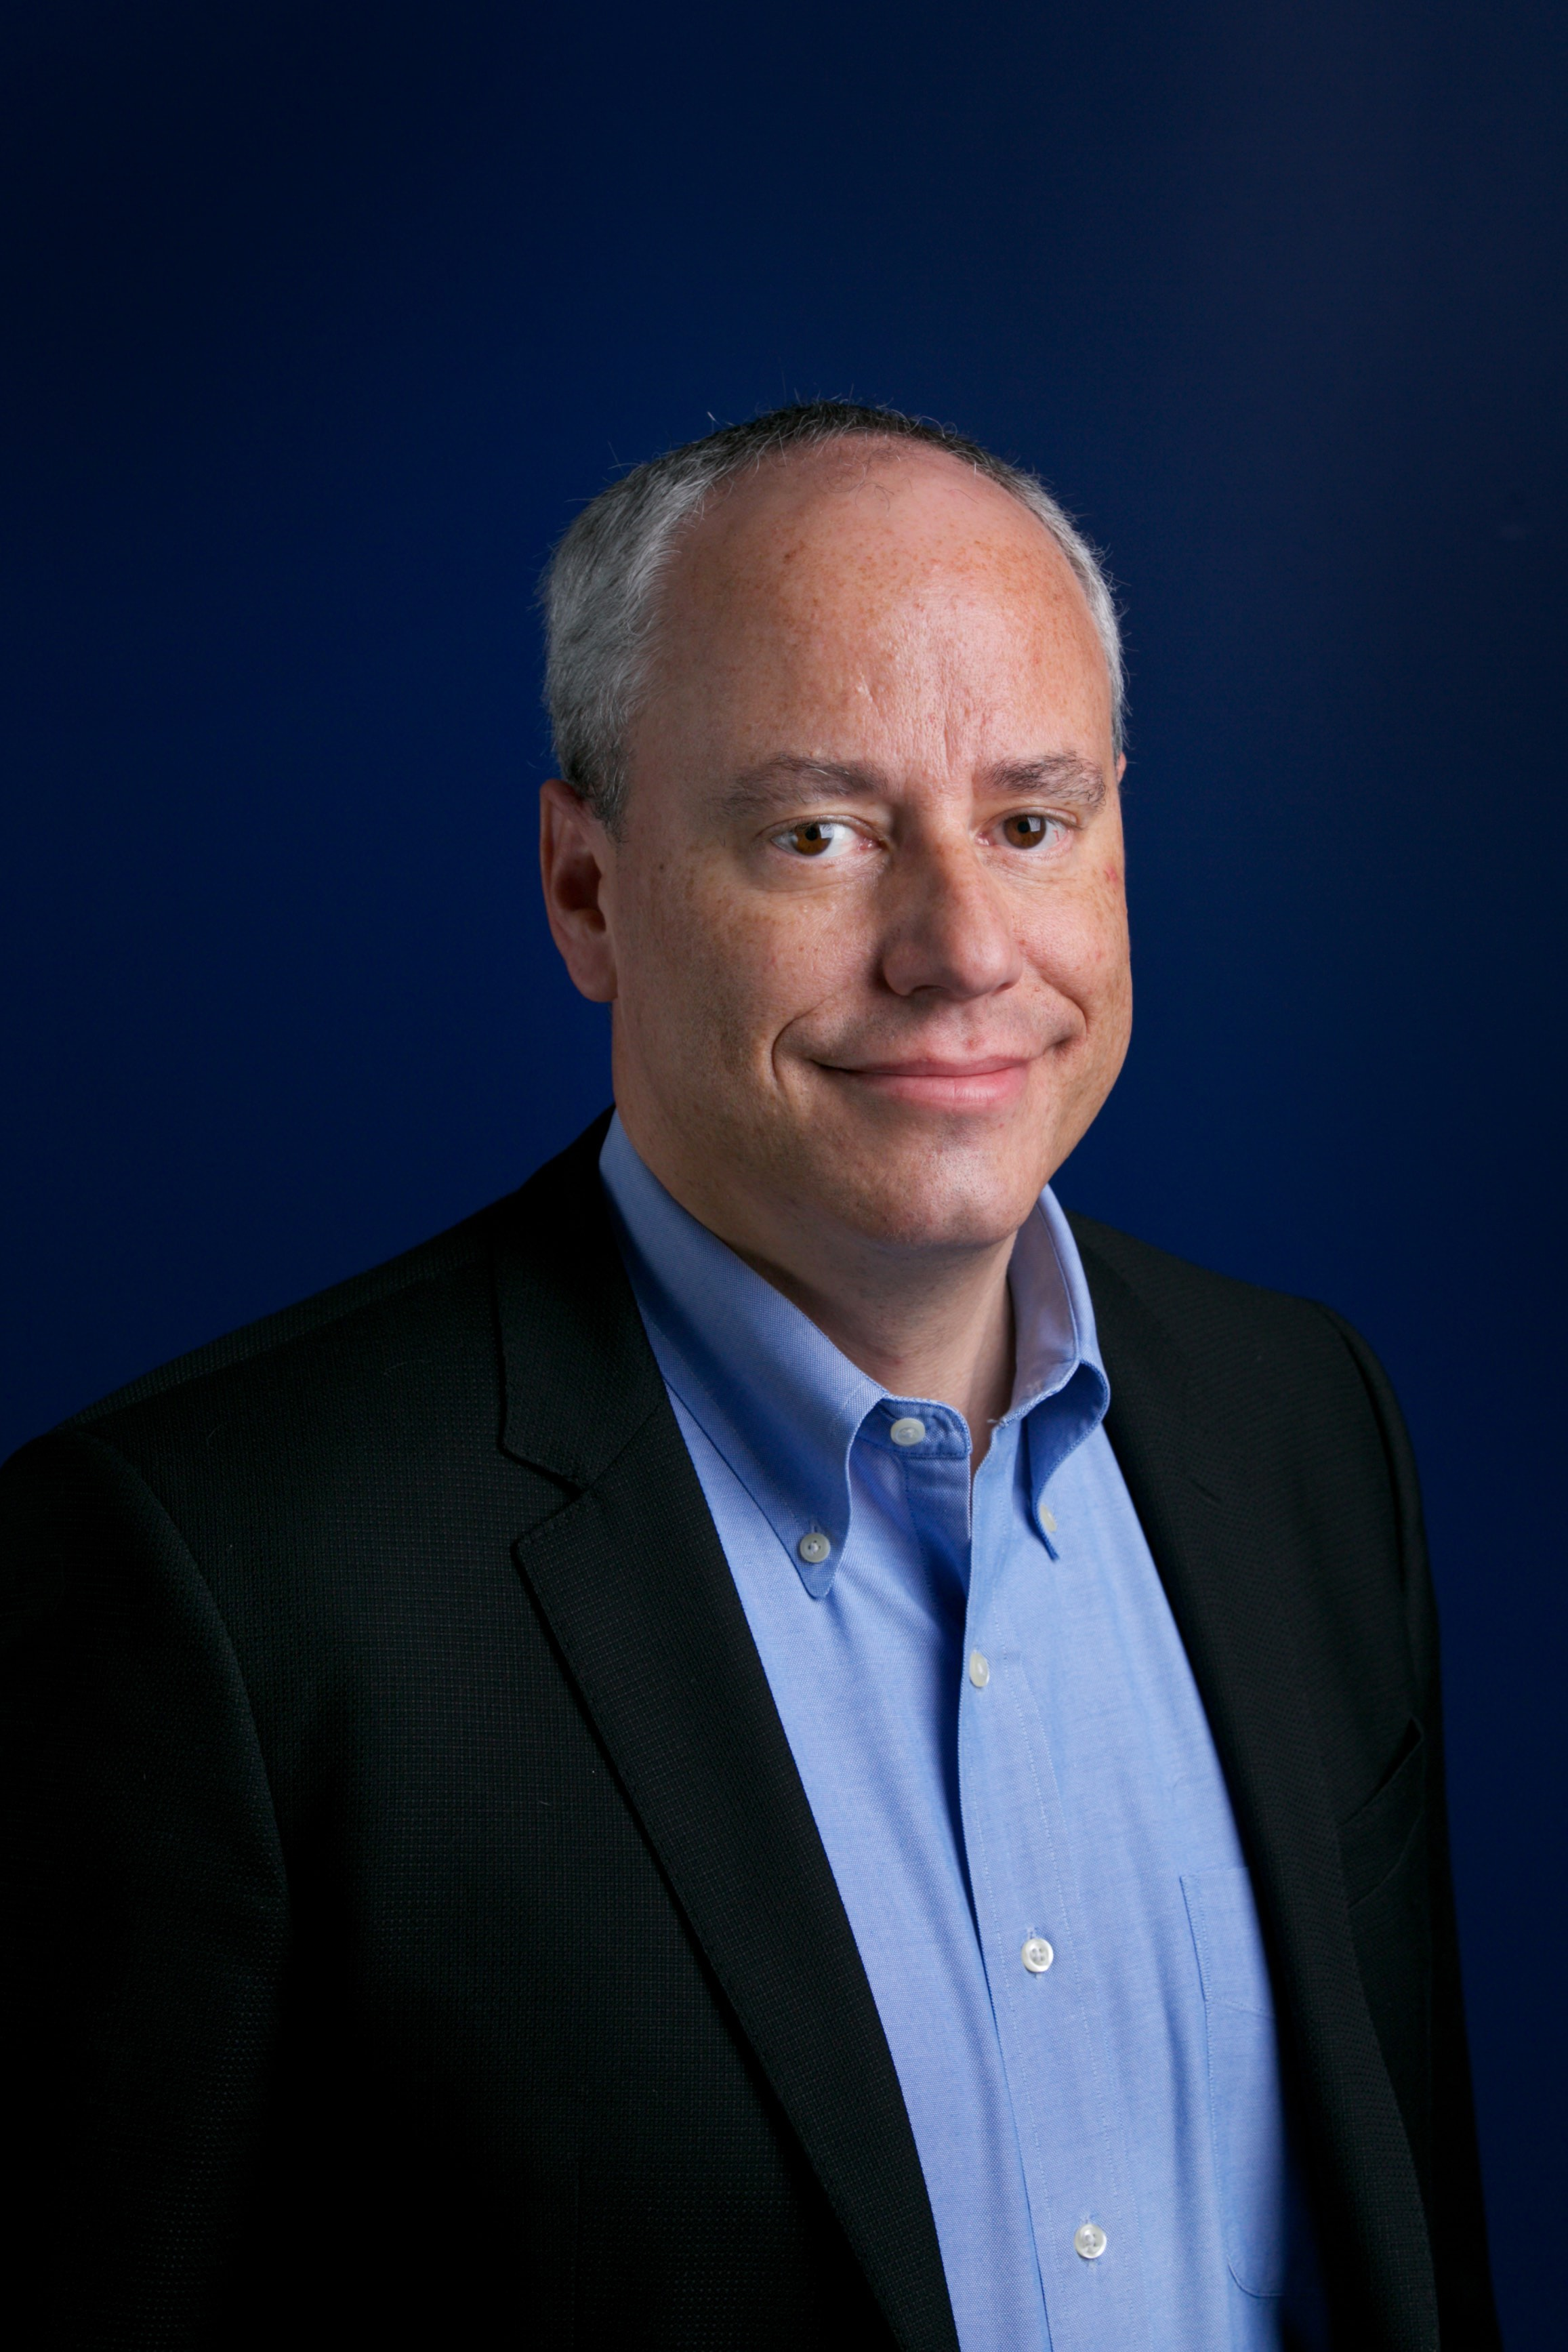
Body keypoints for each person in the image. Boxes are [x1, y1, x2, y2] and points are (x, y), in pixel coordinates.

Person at [1, 402, 1497, 2352]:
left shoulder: (1306, 1432)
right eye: (820, 834)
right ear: (587, 889)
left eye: (1030, 823)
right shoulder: (210, 1586)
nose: (960, 949)